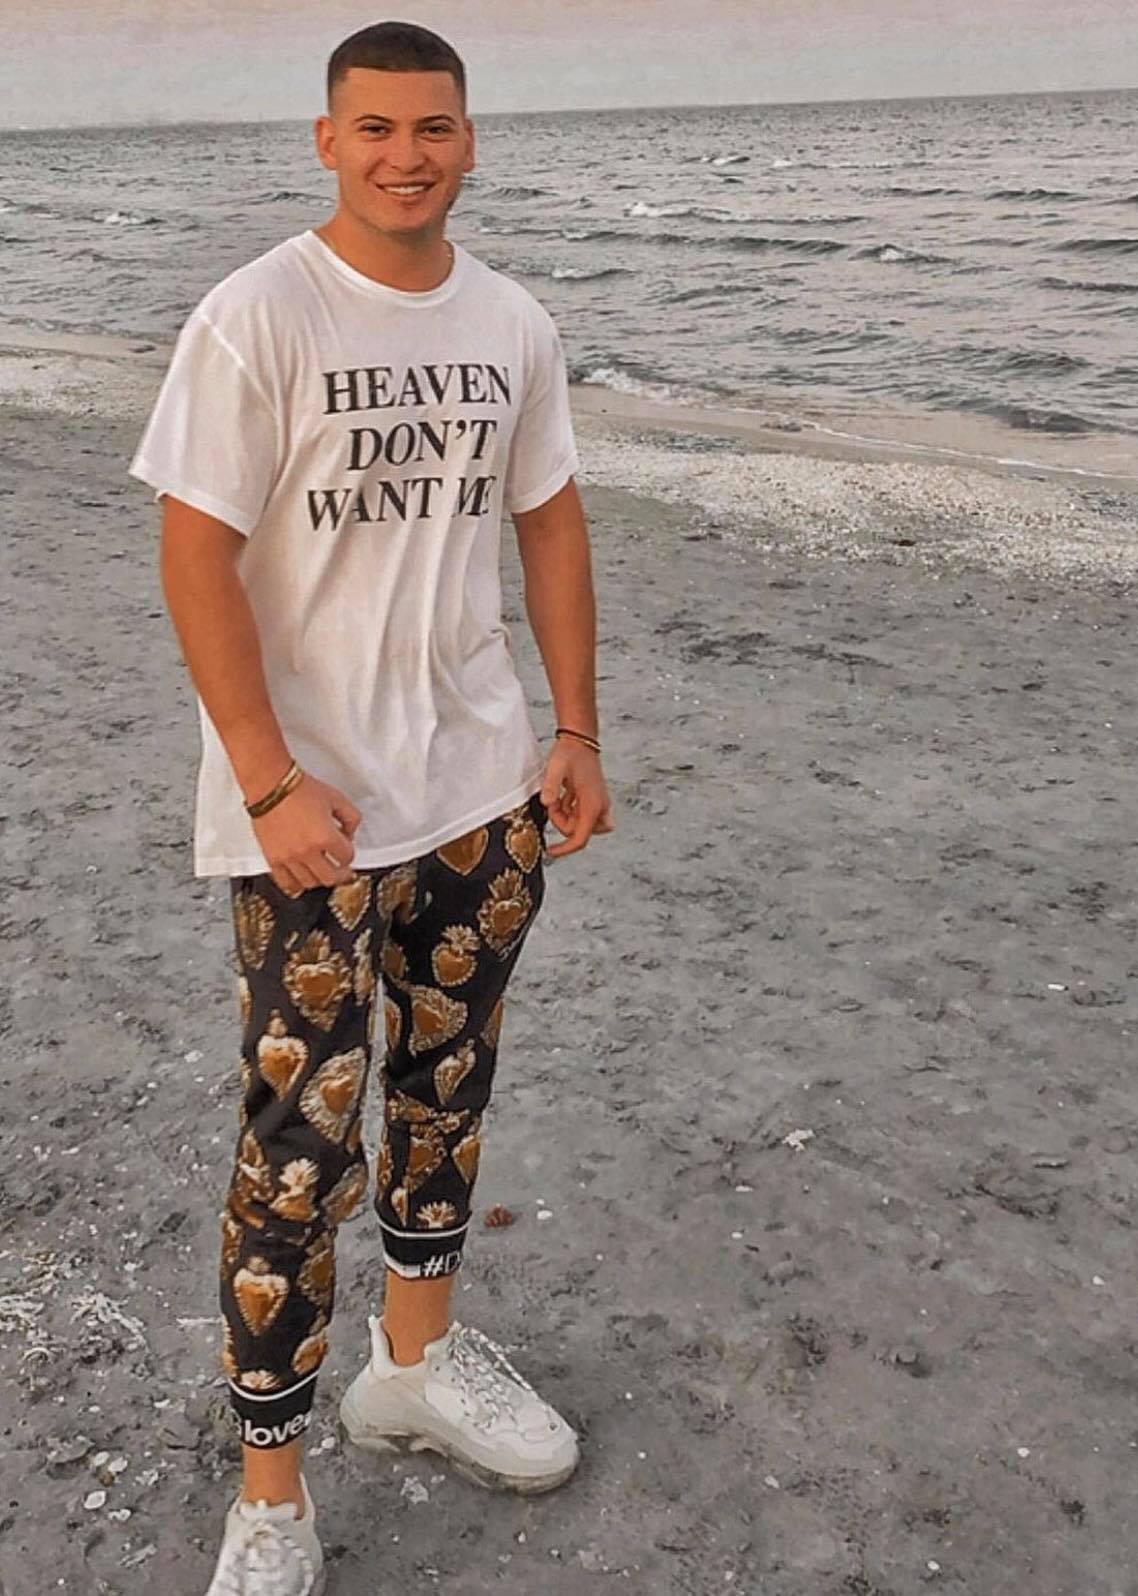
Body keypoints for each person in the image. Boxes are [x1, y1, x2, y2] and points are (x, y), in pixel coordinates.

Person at [130, 20, 611, 1594]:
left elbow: (549, 521)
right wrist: (268, 777)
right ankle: (272, 1498)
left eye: (436, 127)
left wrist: (574, 728)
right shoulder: (256, 314)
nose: (409, 155)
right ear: (327, 142)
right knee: (296, 1151)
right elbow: (194, 553)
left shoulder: (512, 322)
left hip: (479, 789)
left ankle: (414, 1365)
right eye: (379, 128)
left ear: (471, 140)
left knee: (446, 1092)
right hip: (311, 818)